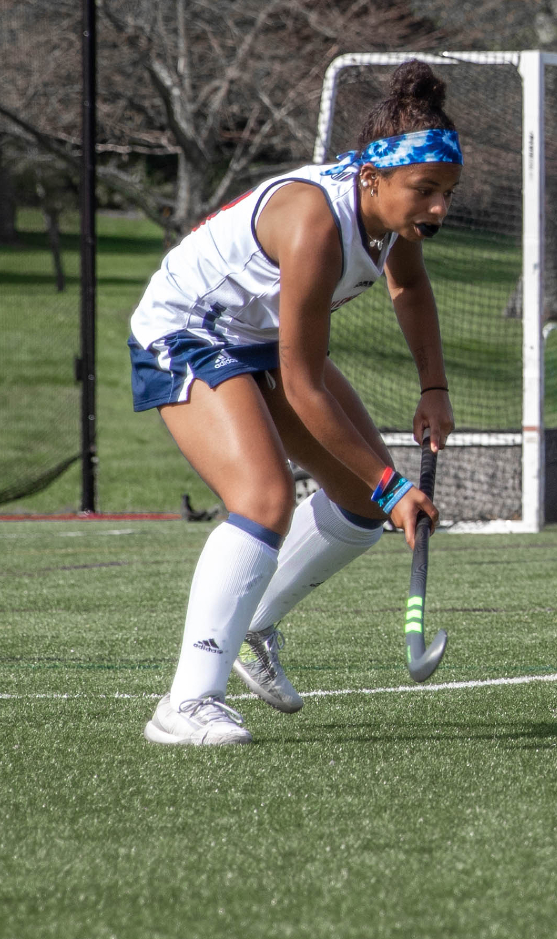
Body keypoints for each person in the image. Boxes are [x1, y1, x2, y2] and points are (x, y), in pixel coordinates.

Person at [127, 61, 457, 745]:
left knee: (359, 504)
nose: (438, 210)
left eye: (446, 193)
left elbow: (410, 290)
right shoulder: (315, 224)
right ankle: (186, 703)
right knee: (265, 496)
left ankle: (254, 622)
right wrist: (395, 485)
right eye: (426, 192)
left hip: (261, 336)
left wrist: (434, 390)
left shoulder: (391, 218)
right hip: (188, 328)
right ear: (372, 178)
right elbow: (302, 383)